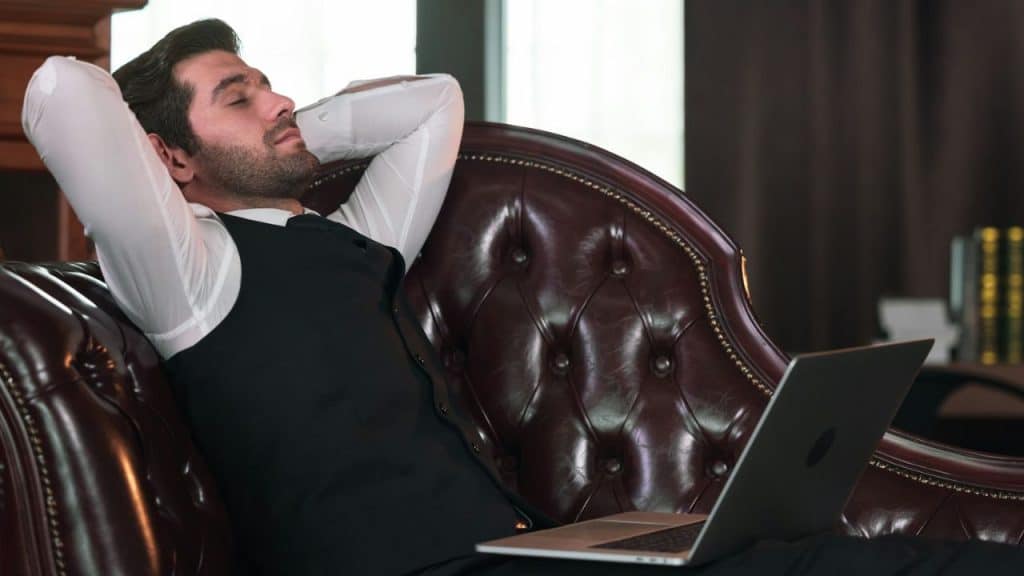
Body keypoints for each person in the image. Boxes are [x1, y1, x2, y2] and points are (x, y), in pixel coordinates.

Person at [21, 18, 1024, 576]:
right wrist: (222, 152)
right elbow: (62, 91)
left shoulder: (349, 241)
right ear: (166, 157)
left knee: (848, 560)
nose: (277, 100)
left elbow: (434, 107)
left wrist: (288, 131)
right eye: (238, 95)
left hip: (524, 556)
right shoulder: (186, 273)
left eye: (271, 84)